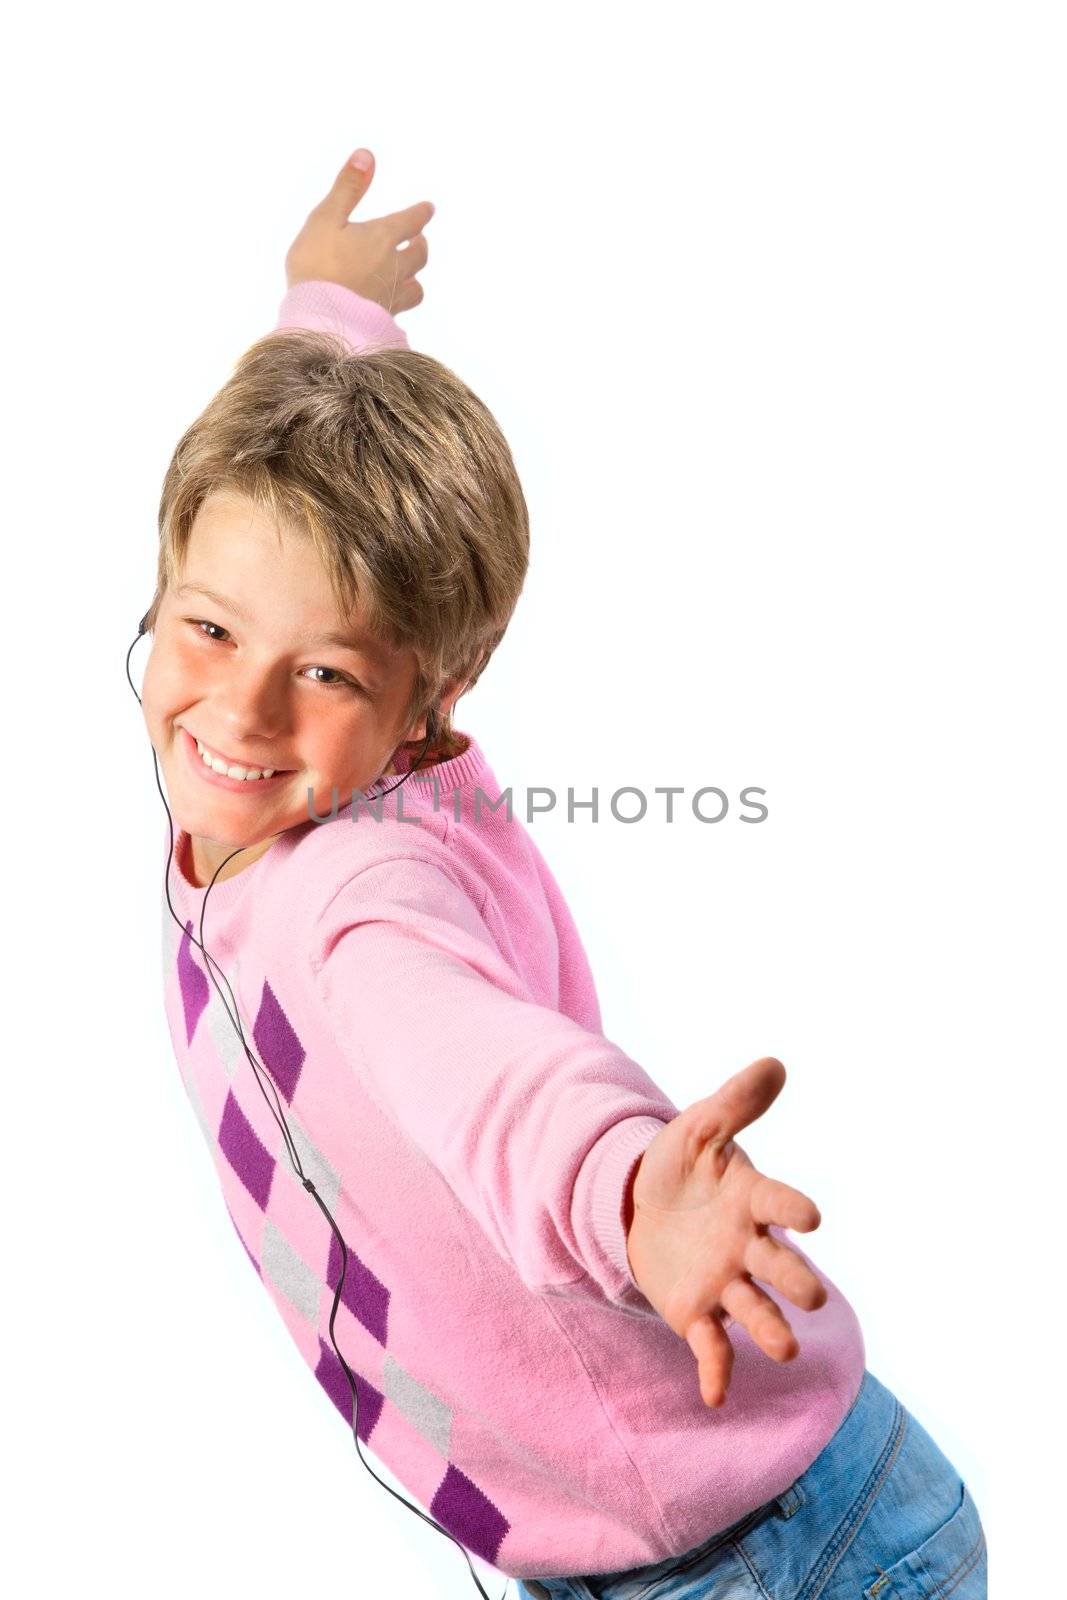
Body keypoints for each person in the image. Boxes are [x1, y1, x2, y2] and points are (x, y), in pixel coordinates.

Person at [136, 148, 987, 1597]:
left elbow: (504, 1085)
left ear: (433, 693)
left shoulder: (358, 907)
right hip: (646, 1529)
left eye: (325, 671)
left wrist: (627, 1187)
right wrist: (327, 305)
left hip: (765, 1556)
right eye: (205, 630)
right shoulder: (257, 612)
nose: (239, 713)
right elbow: (269, 488)